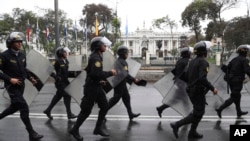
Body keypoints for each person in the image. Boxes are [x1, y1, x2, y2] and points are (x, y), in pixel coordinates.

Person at [69, 36, 117, 141]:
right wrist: (110, 73)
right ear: (98, 46)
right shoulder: (95, 57)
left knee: (104, 106)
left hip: (96, 86)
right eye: (103, 44)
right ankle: (74, 129)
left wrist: (100, 81)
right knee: (86, 111)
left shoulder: (97, 56)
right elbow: (96, 74)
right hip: (91, 88)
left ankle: (98, 128)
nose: (105, 46)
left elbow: (91, 73)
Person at [0, 32, 43, 140]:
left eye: (20, 42)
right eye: (17, 42)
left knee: (14, 107)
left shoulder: (22, 55)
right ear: (10, 43)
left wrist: (31, 78)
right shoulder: (4, 56)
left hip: (21, 85)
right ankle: (31, 133)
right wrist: (10, 79)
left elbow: (24, 70)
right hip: (12, 87)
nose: (20, 44)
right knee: (24, 107)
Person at [170, 41, 218, 139]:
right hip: (197, 91)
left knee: (198, 112)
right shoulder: (204, 62)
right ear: (204, 52)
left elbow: (187, 76)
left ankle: (192, 132)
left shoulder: (192, 61)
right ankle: (177, 125)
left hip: (192, 90)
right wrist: (212, 88)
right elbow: (202, 78)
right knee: (198, 112)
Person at [156, 47, 193, 118]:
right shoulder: (188, 61)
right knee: (184, 100)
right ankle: (188, 115)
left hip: (178, 82)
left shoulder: (180, 61)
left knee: (176, 99)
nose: (191, 54)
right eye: (190, 53)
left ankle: (160, 108)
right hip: (183, 83)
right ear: (187, 54)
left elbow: (175, 71)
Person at [107, 45, 142, 121]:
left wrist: (132, 79)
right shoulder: (123, 62)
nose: (127, 54)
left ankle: (130, 114)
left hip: (120, 82)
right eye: (126, 53)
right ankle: (102, 112)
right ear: (123, 54)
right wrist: (133, 79)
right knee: (115, 99)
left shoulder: (119, 61)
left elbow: (124, 74)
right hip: (119, 83)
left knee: (126, 98)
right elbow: (124, 74)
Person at [216, 44, 250, 118]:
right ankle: (220, 109)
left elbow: (227, 69)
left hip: (231, 81)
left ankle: (239, 111)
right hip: (237, 81)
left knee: (237, 95)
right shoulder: (244, 60)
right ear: (244, 52)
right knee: (234, 97)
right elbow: (247, 70)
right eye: (247, 51)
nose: (247, 52)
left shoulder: (234, 59)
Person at [43, 47, 77, 120]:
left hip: (65, 81)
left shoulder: (65, 61)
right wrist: (56, 77)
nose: (66, 53)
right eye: (64, 52)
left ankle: (48, 110)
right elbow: (48, 70)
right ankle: (69, 114)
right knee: (67, 95)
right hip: (60, 82)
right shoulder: (57, 61)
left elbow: (66, 72)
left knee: (58, 96)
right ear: (61, 53)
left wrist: (74, 74)